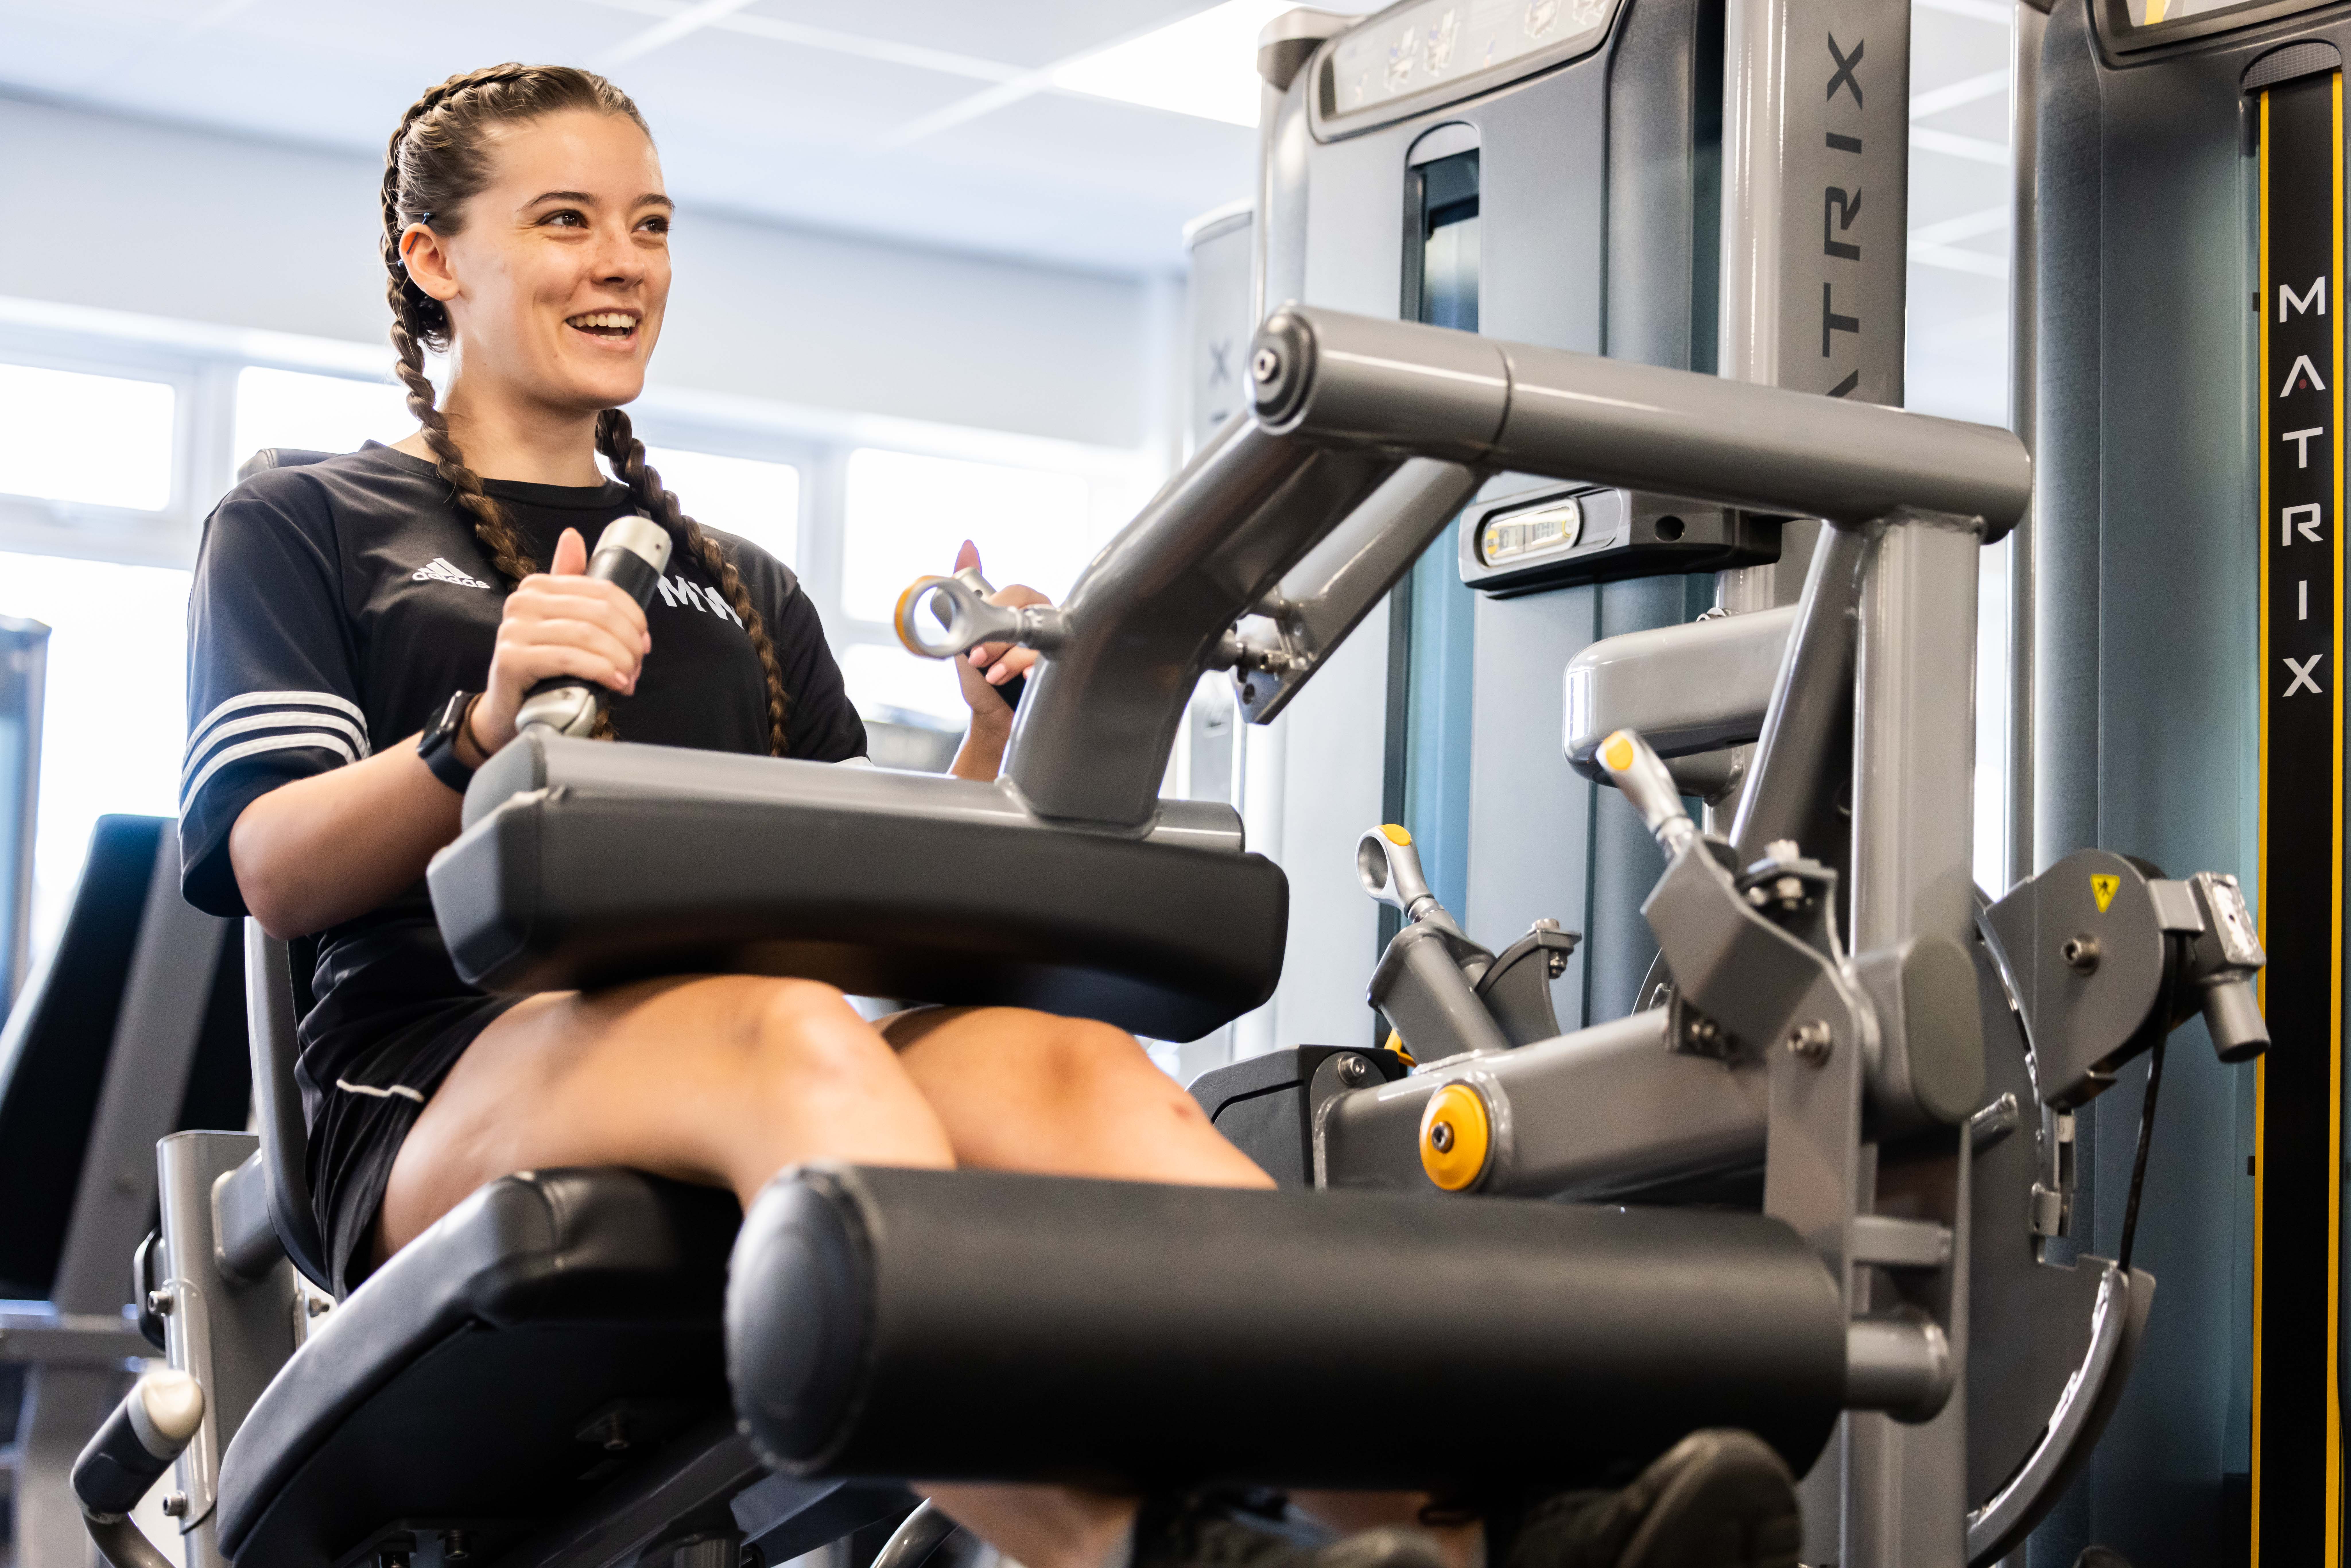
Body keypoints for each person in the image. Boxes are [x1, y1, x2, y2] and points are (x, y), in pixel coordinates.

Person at [178, 63, 1799, 1568]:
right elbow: (268, 859)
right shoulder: (308, 521)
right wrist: (472, 733)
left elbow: (839, 906)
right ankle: (1142, 1544)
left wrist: (999, 746)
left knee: (1067, 1067)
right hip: (438, 1088)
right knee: (786, 1035)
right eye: (566, 221)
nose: (625, 264)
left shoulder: (743, 591)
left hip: (741, 1027)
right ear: (432, 257)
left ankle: (1471, 1528)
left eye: (653, 224)